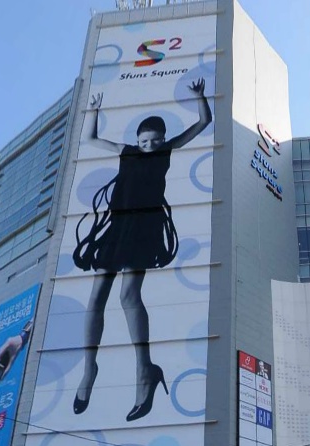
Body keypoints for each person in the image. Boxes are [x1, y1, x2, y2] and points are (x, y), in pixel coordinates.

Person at [71, 78, 213, 421]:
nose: (150, 145)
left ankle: (144, 370)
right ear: (137, 140)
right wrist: (94, 110)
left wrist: (199, 96)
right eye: (145, 140)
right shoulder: (126, 151)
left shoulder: (166, 151)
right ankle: (89, 369)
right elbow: (91, 139)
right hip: (117, 229)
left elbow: (203, 122)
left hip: (144, 230)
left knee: (128, 295)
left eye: (156, 140)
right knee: (96, 297)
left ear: (163, 140)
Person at [0, 321, 33, 397]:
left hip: (18, 341)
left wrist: (22, 338)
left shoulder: (11, 343)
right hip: (19, 340)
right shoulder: (13, 345)